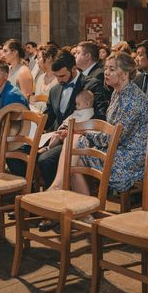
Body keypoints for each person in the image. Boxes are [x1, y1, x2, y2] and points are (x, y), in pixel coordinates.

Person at [48, 52, 148, 197]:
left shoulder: (133, 101)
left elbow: (113, 139)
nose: (106, 73)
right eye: (106, 68)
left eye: (112, 69)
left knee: (74, 156)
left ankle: (74, 201)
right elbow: (109, 132)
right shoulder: (118, 92)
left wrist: (84, 132)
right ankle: (70, 197)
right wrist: (80, 132)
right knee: (73, 147)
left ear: (124, 74)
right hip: (115, 148)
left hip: (129, 159)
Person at [36, 50, 109, 190]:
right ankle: (34, 196)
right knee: (26, 150)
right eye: (56, 76)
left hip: (79, 138)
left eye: (62, 76)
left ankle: (57, 199)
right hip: (57, 135)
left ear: (74, 69)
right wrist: (35, 125)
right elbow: (49, 116)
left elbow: (100, 116)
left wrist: (73, 131)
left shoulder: (91, 85)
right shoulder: (55, 89)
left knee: (46, 159)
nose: (59, 80)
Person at [31, 44, 59, 113]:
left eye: (39, 58)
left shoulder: (59, 79)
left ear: (49, 58)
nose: (37, 62)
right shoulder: (41, 78)